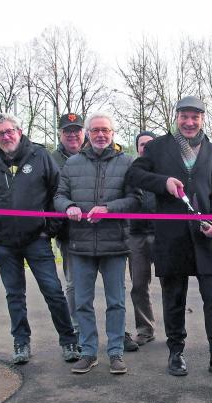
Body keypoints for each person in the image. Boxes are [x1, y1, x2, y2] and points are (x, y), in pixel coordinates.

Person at [126, 95, 212, 380]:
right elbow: (135, 175)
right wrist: (163, 183)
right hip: (171, 237)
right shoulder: (157, 147)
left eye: (195, 117)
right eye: (184, 117)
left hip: (204, 238)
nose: (190, 122)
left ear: (203, 119)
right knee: (174, 298)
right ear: (176, 117)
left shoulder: (211, 151)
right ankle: (175, 353)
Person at [0, 113, 80, 365]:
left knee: (53, 292)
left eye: (10, 131)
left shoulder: (40, 156)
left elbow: (58, 193)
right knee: (14, 295)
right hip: (4, 243)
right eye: (0, 133)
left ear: (19, 131)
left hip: (37, 239)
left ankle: (68, 341)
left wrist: (50, 229)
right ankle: (21, 342)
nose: (6, 136)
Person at [54, 112, 140, 375]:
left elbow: (136, 199)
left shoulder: (128, 163)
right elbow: (59, 195)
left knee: (116, 301)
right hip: (79, 244)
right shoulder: (72, 164)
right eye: (95, 131)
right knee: (82, 302)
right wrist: (67, 206)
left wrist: (109, 209)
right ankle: (88, 351)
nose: (100, 135)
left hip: (114, 244)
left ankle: (115, 352)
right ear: (88, 135)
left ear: (112, 133)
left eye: (105, 130)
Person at [50, 113, 86, 330]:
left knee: (113, 285)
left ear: (84, 132)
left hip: (103, 229)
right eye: (67, 131)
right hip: (69, 231)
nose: (72, 135)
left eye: (76, 130)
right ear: (60, 134)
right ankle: (78, 328)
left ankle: (118, 331)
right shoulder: (51, 159)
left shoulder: (98, 152)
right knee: (74, 282)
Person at [123, 131, 159, 352]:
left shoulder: (166, 168)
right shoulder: (132, 170)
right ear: (137, 148)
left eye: (150, 144)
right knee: (138, 284)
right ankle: (145, 329)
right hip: (136, 233)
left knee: (170, 283)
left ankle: (175, 330)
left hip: (162, 233)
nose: (145, 148)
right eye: (142, 145)